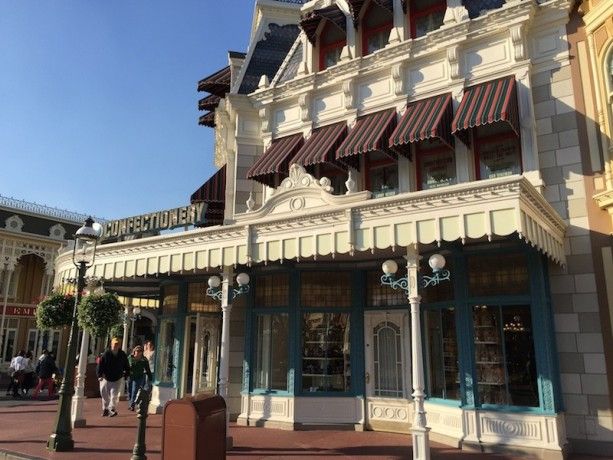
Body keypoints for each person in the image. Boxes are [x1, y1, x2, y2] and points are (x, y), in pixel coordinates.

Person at [96, 337, 130, 417]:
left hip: (117, 377)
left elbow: (126, 365)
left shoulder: (122, 354)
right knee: (104, 394)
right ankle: (105, 409)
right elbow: (100, 365)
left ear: (119, 345)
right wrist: (99, 375)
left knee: (114, 395)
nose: (116, 346)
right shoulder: (106, 354)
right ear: (111, 344)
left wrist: (126, 374)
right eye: (114, 344)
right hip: (106, 378)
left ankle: (111, 409)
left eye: (117, 344)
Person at [127, 345, 152, 411]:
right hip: (130, 376)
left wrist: (150, 377)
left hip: (139, 377)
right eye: (137, 351)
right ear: (134, 351)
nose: (138, 352)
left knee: (134, 390)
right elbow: (126, 366)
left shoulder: (144, 359)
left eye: (140, 351)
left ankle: (132, 405)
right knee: (129, 390)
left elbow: (147, 369)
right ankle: (130, 403)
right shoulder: (130, 358)